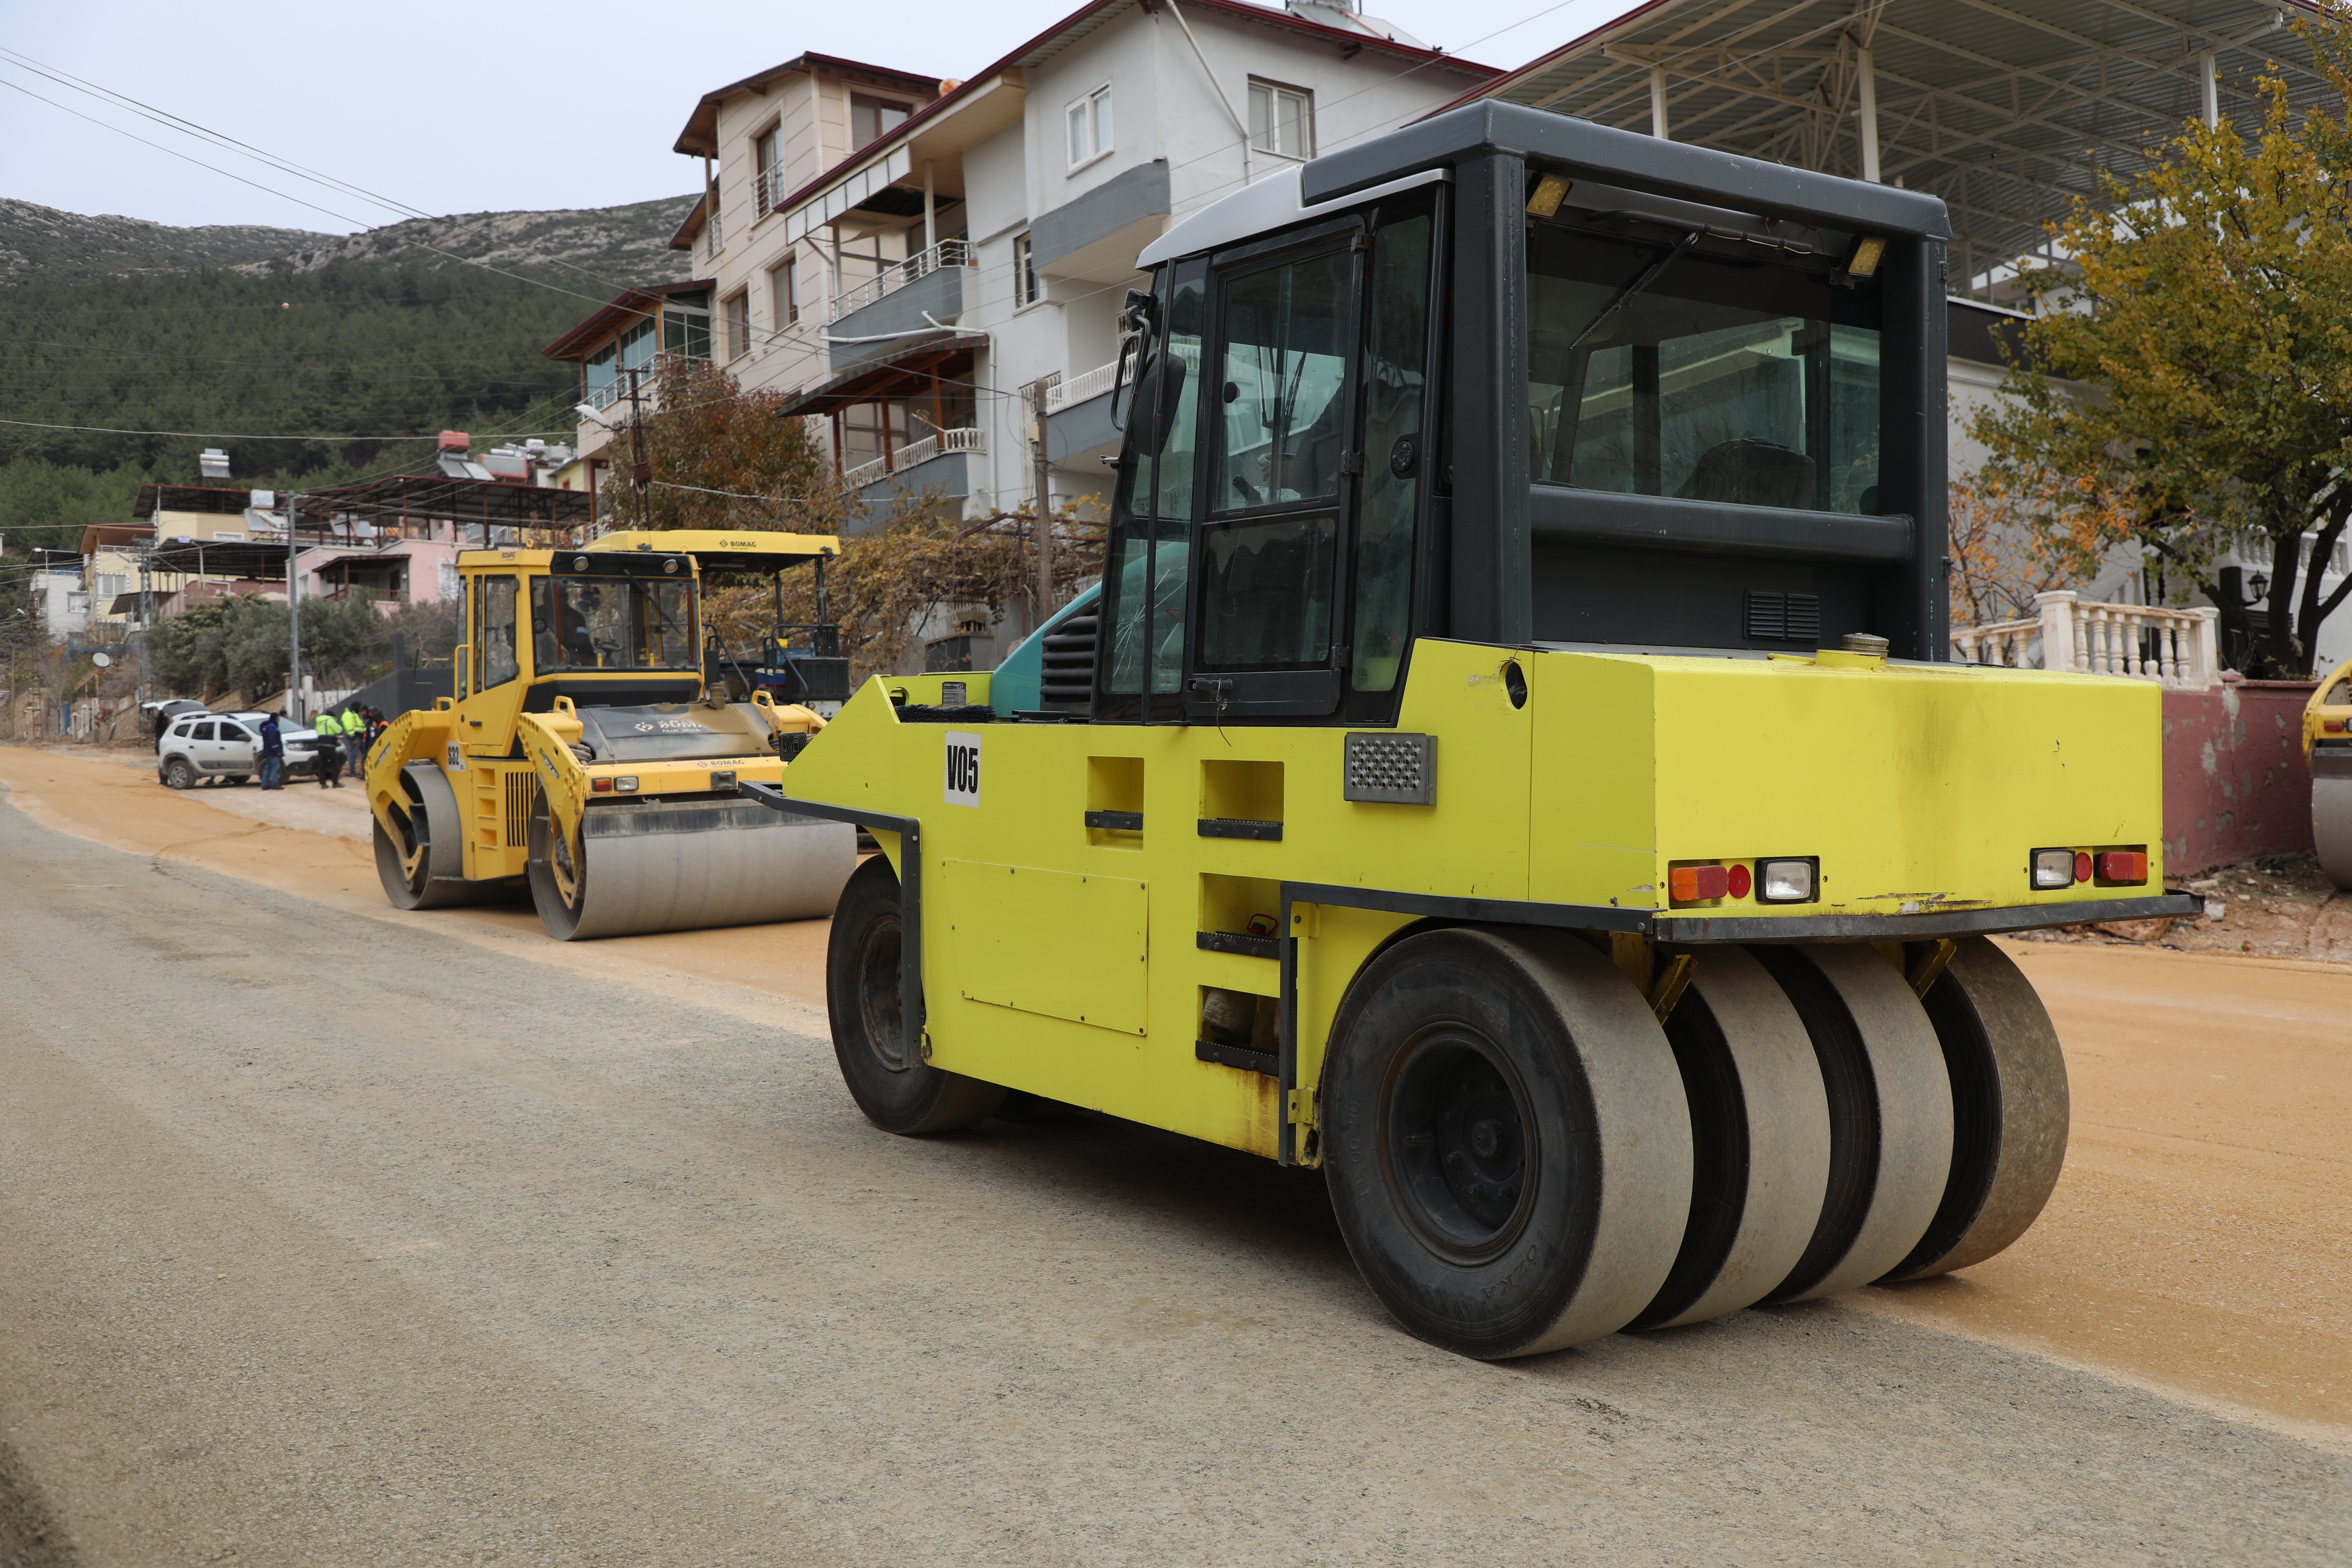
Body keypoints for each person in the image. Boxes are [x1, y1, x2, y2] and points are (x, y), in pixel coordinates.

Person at [313, 708, 345, 789]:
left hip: (320, 745)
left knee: (322, 765)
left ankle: (323, 784)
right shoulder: (330, 721)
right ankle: (335, 783)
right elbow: (339, 730)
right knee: (335, 764)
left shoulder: (319, 722)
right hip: (330, 746)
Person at [258, 713, 284, 790]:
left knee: (269, 767)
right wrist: (277, 751)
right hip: (272, 751)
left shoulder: (268, 726)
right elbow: (273, 740)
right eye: (278, 719)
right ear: (275, 719)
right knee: (276, 767)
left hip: (268, 750)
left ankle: (265, 784)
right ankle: (275, 784)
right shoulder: (272, 727)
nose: (279, 721)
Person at [342, 706, 369, 778]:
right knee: (354, 754)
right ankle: (352, 771)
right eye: (359, 707)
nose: (360, 709)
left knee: (366, 753)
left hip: (360, 737)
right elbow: (349, 727)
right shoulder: (348, 714)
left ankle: (367, 770)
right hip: (355, 737)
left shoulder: (354, 714)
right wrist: (353, 738)